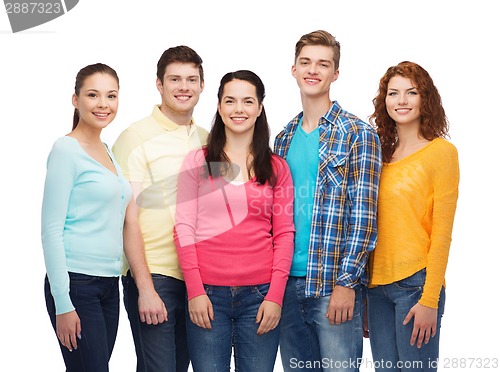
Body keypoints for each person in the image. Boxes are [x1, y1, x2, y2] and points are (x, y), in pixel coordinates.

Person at [274, 30, 382, 371]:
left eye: (323, 64)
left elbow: (364, 216)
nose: (313, 70)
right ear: (293, 69)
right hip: (287, 286)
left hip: (331, 285)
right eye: (305, 62)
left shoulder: (357, 133)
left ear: (335, 74)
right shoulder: (283, 138)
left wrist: (347, 283)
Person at [174, 70, 295, 372]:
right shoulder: (198, 161)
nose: (238, 109)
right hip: (207, 295)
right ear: (218, 106)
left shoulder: (277, 167)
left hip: (259, 297)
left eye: (247, 101)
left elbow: (284, 235)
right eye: (230, 101)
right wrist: (196, 290)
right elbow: (184, 227)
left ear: (259, 108)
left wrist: (275, 297)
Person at [112, 45, 208, 372]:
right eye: (175, 79)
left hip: (197, 279)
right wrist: (145, 288)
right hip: (155, 274)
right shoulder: (133, 137)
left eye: (191, 79)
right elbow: (126, 219)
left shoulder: (210, 140)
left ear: (202, 85)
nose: (184, 87)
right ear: (159, 85)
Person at [367, 61, 459, 371]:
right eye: (393, 93)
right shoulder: (378, 154)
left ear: (425, 98)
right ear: (385, 101)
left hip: (416, 286)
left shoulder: (441, 153)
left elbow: (442, 232)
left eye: (411, 92)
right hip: (376, 289)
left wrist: (430, 299)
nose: (402, 101)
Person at [41, 63, 134, 371]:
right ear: (75, 100)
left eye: (111, 96)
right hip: (76, 283)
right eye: (93, 95)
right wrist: (63, 303)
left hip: (108, 284)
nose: (103, 104)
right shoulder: (66, 150)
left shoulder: (107, 151)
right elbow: (51, 230)